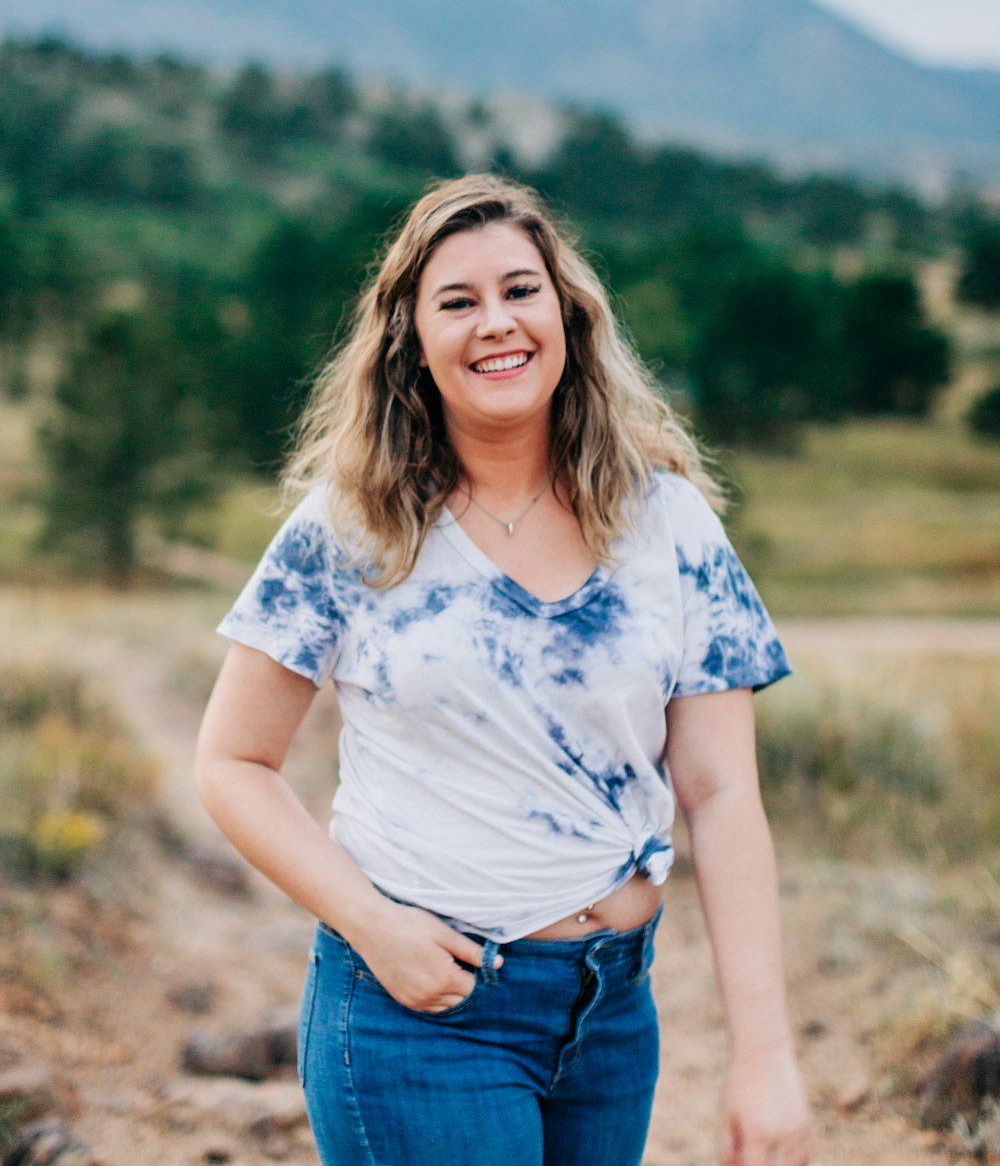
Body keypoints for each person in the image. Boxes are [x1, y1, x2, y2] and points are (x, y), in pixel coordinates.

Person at [195, 173, 812, 1166]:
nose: (497, 323)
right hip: (415, 1017)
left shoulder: (669, 525)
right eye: (457, 301)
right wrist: (371, 924)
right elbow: (230, 763)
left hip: (612, 1017)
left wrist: (766, 1056)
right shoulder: (352, 527)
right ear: (411, 340)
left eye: (520, 289)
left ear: (566, 311)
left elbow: (723, 790)